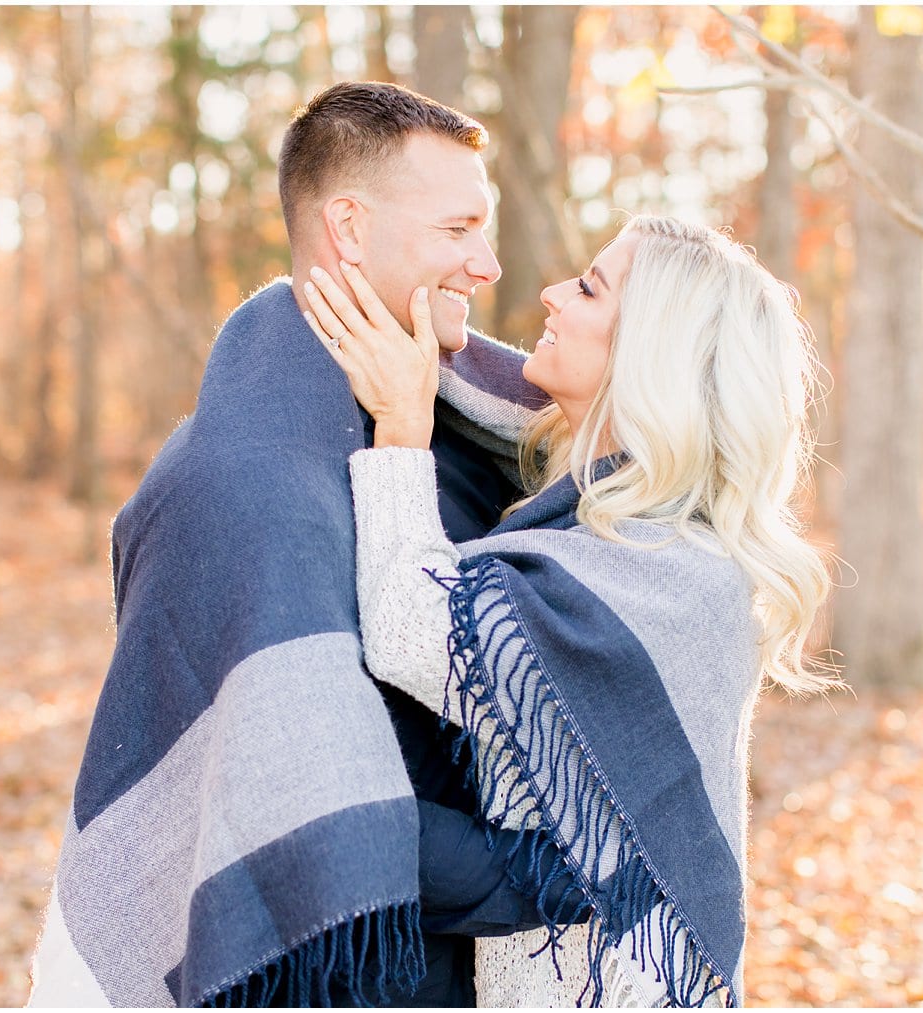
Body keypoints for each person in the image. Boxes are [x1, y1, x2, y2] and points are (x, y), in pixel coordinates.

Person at [28, 82, 584, 1008]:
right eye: (458, 229)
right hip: (322, 965)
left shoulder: (449, 428)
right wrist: (559, 870)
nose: (487, 264)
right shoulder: (243, 480)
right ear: (351, 228)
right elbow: (291, 788)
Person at [303, 214, 836, 1006]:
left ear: (648, 350)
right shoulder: (621, 525)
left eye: (589, 288)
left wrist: (403, 431)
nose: (551, 293)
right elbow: (494, 396)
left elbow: (412, 630)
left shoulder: (673, 568)